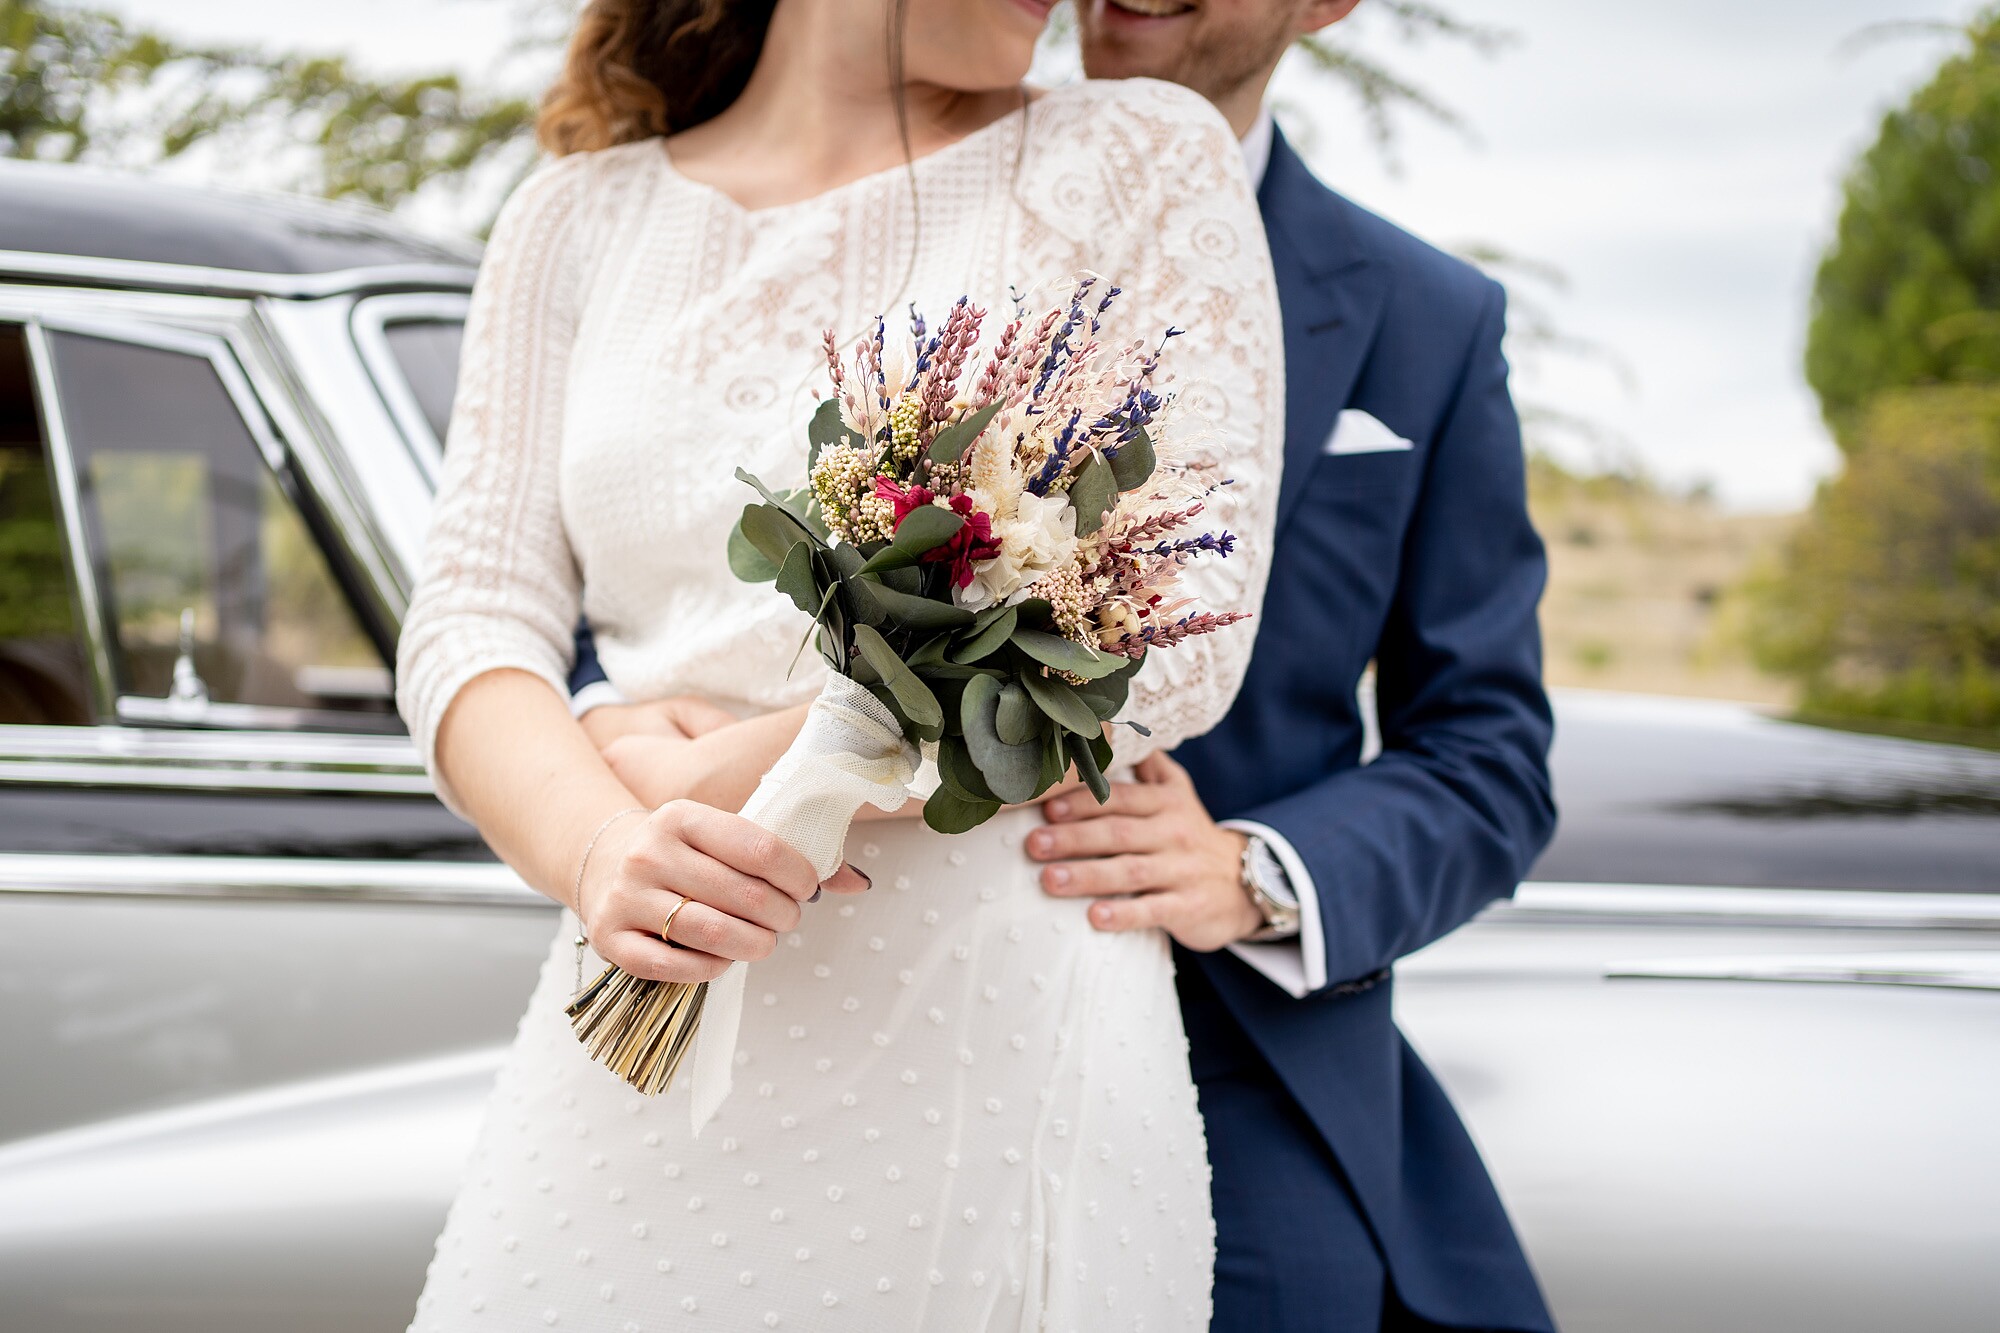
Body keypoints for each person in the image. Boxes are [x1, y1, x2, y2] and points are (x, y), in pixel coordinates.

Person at [577, 2, 1559, 1331]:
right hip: (821, 966)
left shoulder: (1425, 321)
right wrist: (616, 727)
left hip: (1229, 1038)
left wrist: (1256, 873)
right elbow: (672, 519)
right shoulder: (910, 190)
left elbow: (1488, 755)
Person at [394, 0, 1285, 1328]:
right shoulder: (573, 219)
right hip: (646, 988)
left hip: (984, 1018)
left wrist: (709, 769)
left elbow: (1167, 633)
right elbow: (470, 618)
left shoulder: (1141, 151)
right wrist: (599, 853)